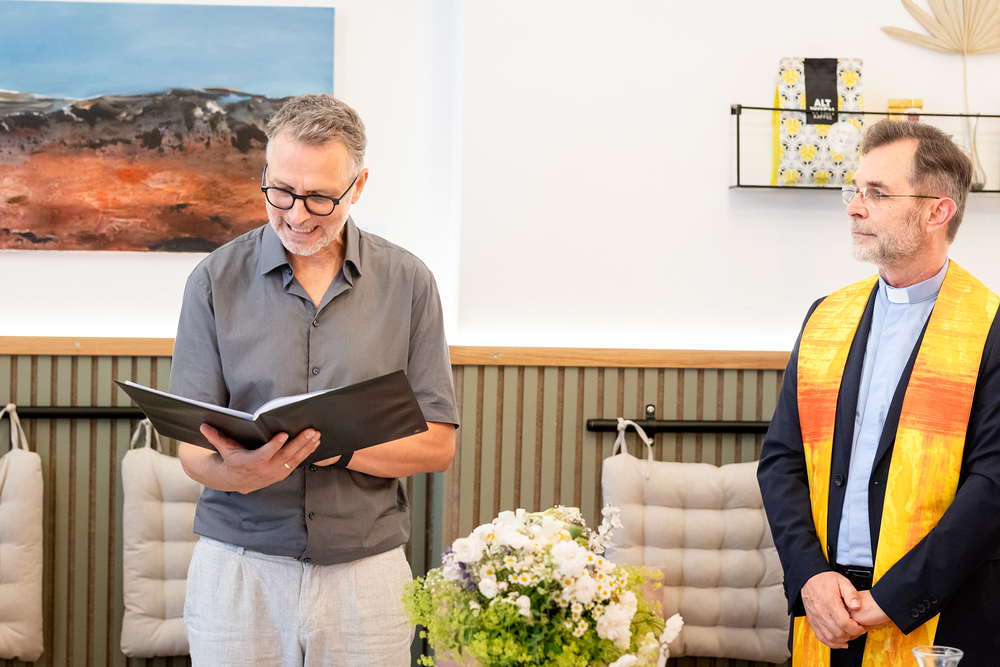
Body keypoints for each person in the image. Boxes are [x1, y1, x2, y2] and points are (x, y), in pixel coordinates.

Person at [169, 93, 459, 667]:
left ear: (359, 185)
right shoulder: (212, 281)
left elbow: (437, 445)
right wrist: (236, 472)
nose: (297, 216)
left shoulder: (409, 283)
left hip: (367, 574)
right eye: (280, 191)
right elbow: (192, 450)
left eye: (321, 198)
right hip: (237, 570)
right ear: (265, 173)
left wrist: (336, 447)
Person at [757, 119, 1000, 667]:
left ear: (937, 211)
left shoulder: (991, 327)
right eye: (855, 191)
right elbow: (781, 462)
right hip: (828, 608)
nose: (854, 208)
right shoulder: (826, 317)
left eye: (877, 193)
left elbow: (992, 487)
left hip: (939, 612)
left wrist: (895, 597)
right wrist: (810, 576)